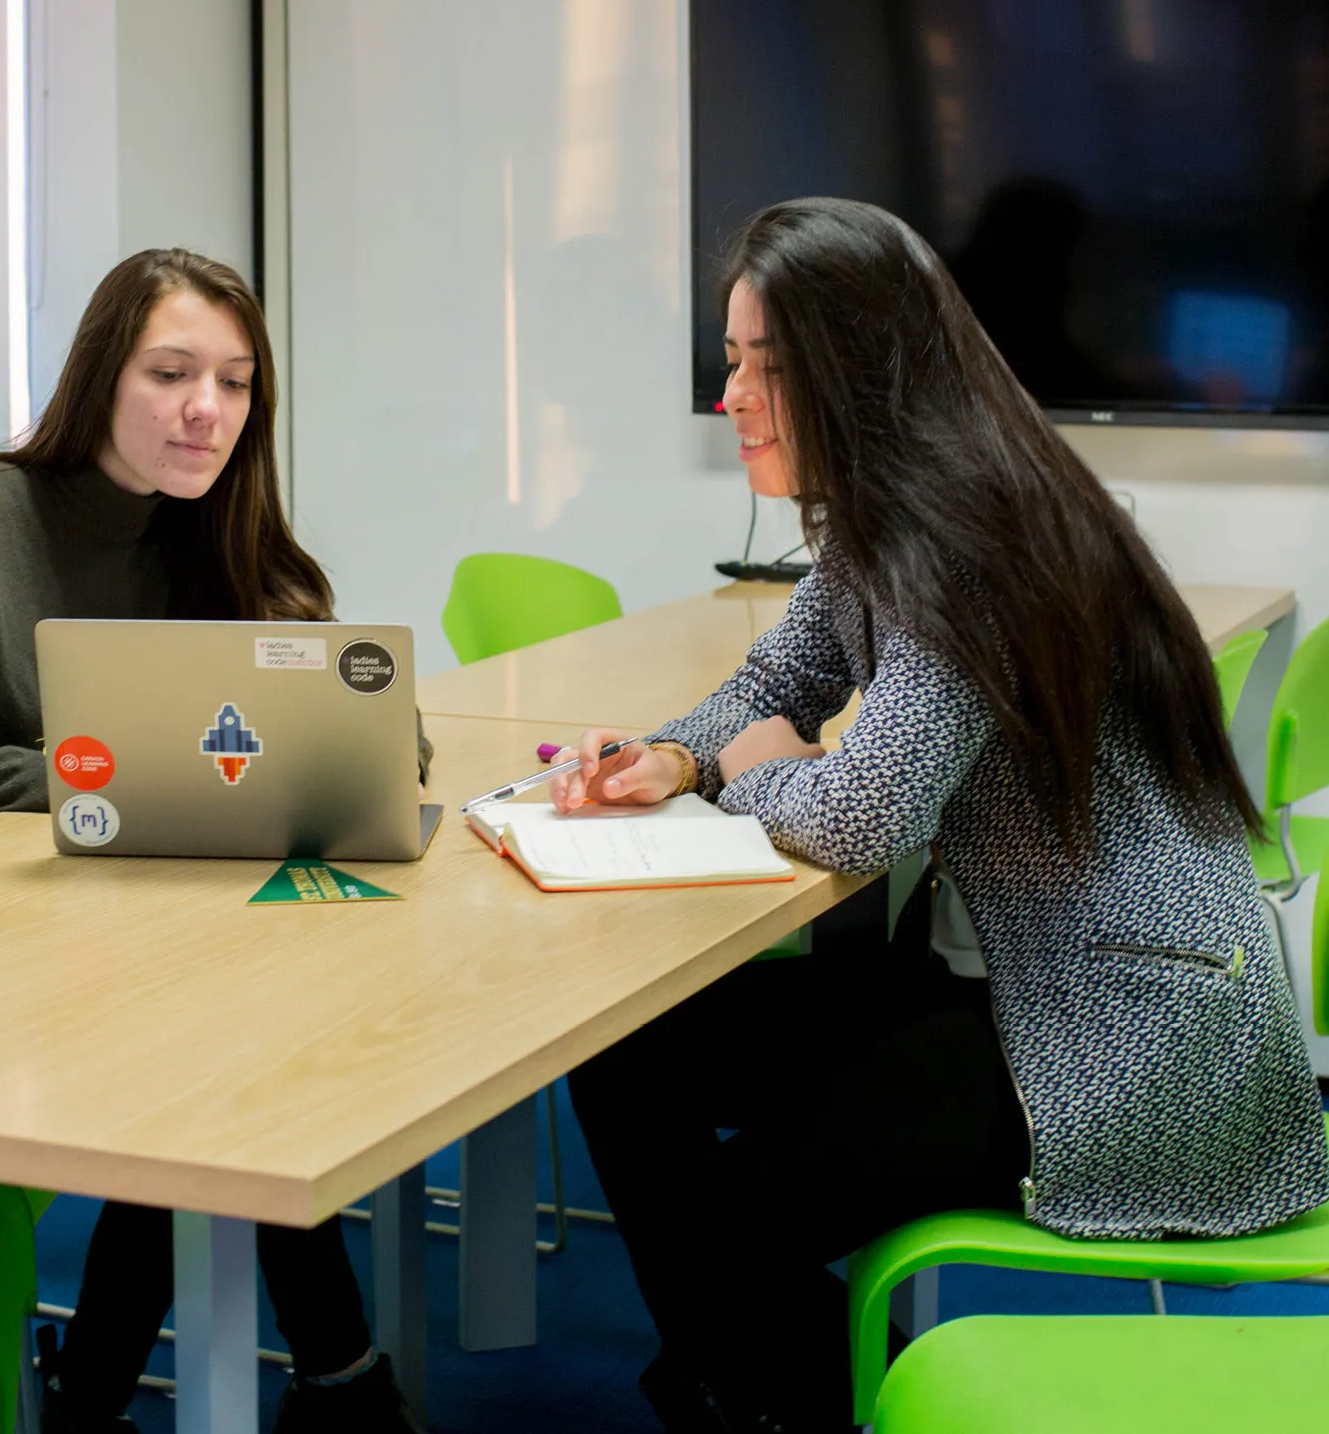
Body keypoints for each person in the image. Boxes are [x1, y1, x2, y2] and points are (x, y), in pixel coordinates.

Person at [551, 198, 1329, 1433]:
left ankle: (753, 1383)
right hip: (1026, 980)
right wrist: (671, 758)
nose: (732, 397)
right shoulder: (887, 519)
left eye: (767, 366)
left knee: (728, 1219)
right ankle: (748, 1375)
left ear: (862, 368)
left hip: (1124, 1031)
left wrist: (749, 771)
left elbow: (859, 814)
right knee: (620, 1044)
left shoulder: (975, 537)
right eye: (731, 361)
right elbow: (773, 689)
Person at [0, 249, 427, 1434]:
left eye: (238, 383)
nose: (209, 409)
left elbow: (371, 744)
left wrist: (313, 743)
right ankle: (337, 1384)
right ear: (99, 375)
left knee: (232, 1046)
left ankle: (108, 1403)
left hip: (115, 941)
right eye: (172, 371)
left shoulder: (216, 532)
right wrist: (132, 771)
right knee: (226, 1063)